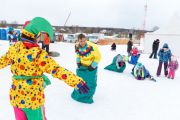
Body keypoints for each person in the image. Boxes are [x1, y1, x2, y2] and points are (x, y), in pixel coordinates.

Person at [0, 17, 89, 120]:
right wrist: (76, 81)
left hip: (16, 98)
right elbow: (56, 70)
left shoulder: (14, 49)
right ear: (35, 36)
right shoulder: (38, 54)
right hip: (33, 101)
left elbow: (1, 61)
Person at [71, 34, 101, 104]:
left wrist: (93, 66)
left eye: (84, 40)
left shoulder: (92, 47)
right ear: (78, 41)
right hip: (82, 66)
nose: (83, 42)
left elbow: (98, 57)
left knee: (90, 82)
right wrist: (78, 62)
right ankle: (79, 94)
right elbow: (78, 54)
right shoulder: (77, 46)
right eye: (81, 41)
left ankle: (88, 96)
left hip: (91, 67)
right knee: (80, 81)